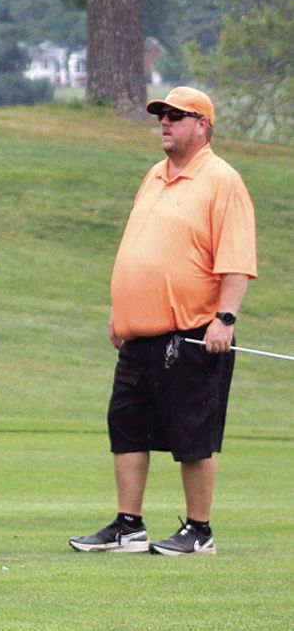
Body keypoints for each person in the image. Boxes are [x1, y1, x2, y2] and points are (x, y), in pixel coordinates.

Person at [70, 86, 256, 557]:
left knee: (192, 435)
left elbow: (236, 259)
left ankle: (200, 530)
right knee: (126, 427)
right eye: (161, 116)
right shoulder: (155, 174)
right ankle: (128, 526)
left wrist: (225, 319)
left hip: (194, 333)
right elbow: (141, 246)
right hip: (139, 333)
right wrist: (122, 309)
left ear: (203, 125)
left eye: (176, 115)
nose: (165, 123)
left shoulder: (222, 180)